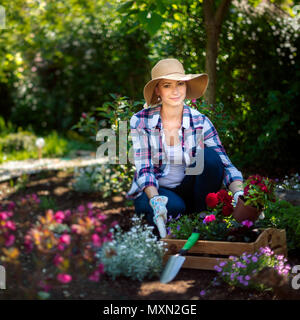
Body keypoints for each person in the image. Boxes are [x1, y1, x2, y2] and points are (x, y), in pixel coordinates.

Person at [125, 58, 244, 237]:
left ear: (186, 86)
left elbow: (224, 163)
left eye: (180, 83)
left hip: (188, 189)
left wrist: (239, 193)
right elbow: (145, 168)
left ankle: (200, 217)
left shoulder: (200, 121)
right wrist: (156, 201)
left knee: (210, 157)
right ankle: (161, 221)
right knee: (173, 207)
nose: (175, 91)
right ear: (157, 90)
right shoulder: (141, 120)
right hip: (154, 191)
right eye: (167, 85)